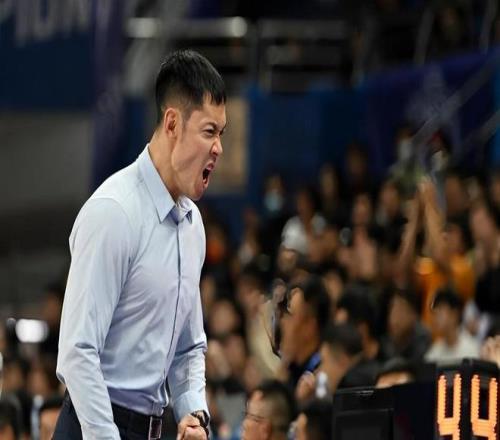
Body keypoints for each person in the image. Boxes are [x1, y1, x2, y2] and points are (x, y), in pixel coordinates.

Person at [55, 49, 227, 440]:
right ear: (172, 124)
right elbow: (78, 352)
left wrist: (193, 411)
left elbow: (189, 348)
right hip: (92, 427)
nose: (218, 147)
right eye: (209, 131)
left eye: (222, 133)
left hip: (153, 428)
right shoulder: (114, 212)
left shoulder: (193, 225)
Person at [425, 287, 480, 362]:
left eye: (440, 310)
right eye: (434, 313)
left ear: (454, 314)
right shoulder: (434, 352)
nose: (435, 318)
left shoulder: (472, 349)